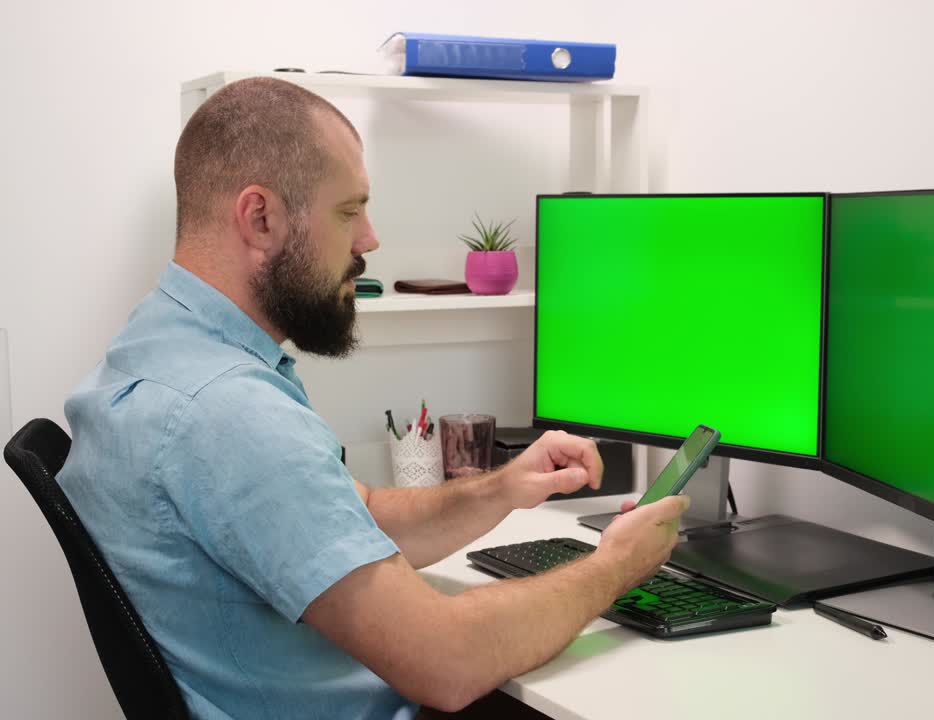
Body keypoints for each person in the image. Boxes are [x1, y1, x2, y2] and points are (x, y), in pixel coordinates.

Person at [57, 77, 689, 720]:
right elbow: (447, 662)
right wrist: (616, 566)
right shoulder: (229, 414)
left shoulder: (159, 347)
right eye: (347, 210)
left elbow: (353, 518)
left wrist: (504, 487)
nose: (369, 237)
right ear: (260, 217)